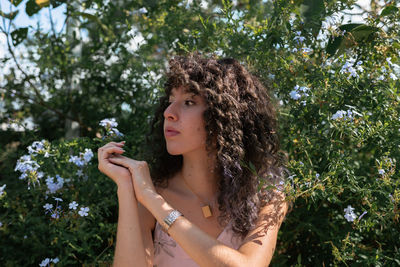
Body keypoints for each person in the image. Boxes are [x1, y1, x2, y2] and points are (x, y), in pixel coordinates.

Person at [97, 52, 289, 267]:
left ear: (224, 116)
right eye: (170, 101)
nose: (169, 113)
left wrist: (155, 202)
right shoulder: (147, 193)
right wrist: (126, 187)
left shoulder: (267, 194)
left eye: (188, 102)